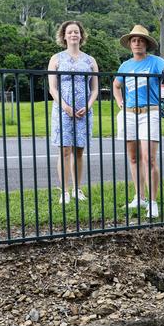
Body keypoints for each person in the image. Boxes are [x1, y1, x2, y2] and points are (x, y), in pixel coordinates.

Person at [113, 25, 164, 217]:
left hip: (149, 113)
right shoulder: (125, 66)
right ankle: (139, 197)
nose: (137, 43)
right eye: (134, 40)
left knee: (148, 158)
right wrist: (120, 102)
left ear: (146, 44)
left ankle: (153, 202)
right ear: (130, 44)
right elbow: (116, 85)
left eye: (141, 40)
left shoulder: (155, 62)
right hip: (129, 114)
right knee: (133, 158)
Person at [48, 21, 99, 204]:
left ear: (81, 35)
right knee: (64, 150)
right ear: (64, 36)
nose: (73, 35)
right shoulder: (56, 58)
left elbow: (94, 89)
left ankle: (78, 189)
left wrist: (88, 105)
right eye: (69, 32)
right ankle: (65, 191)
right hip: (63, 110)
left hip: (83, 111)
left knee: (79, 151)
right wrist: (65, 107)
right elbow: (52, 88)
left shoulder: (90, 60)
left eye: (76, 32)